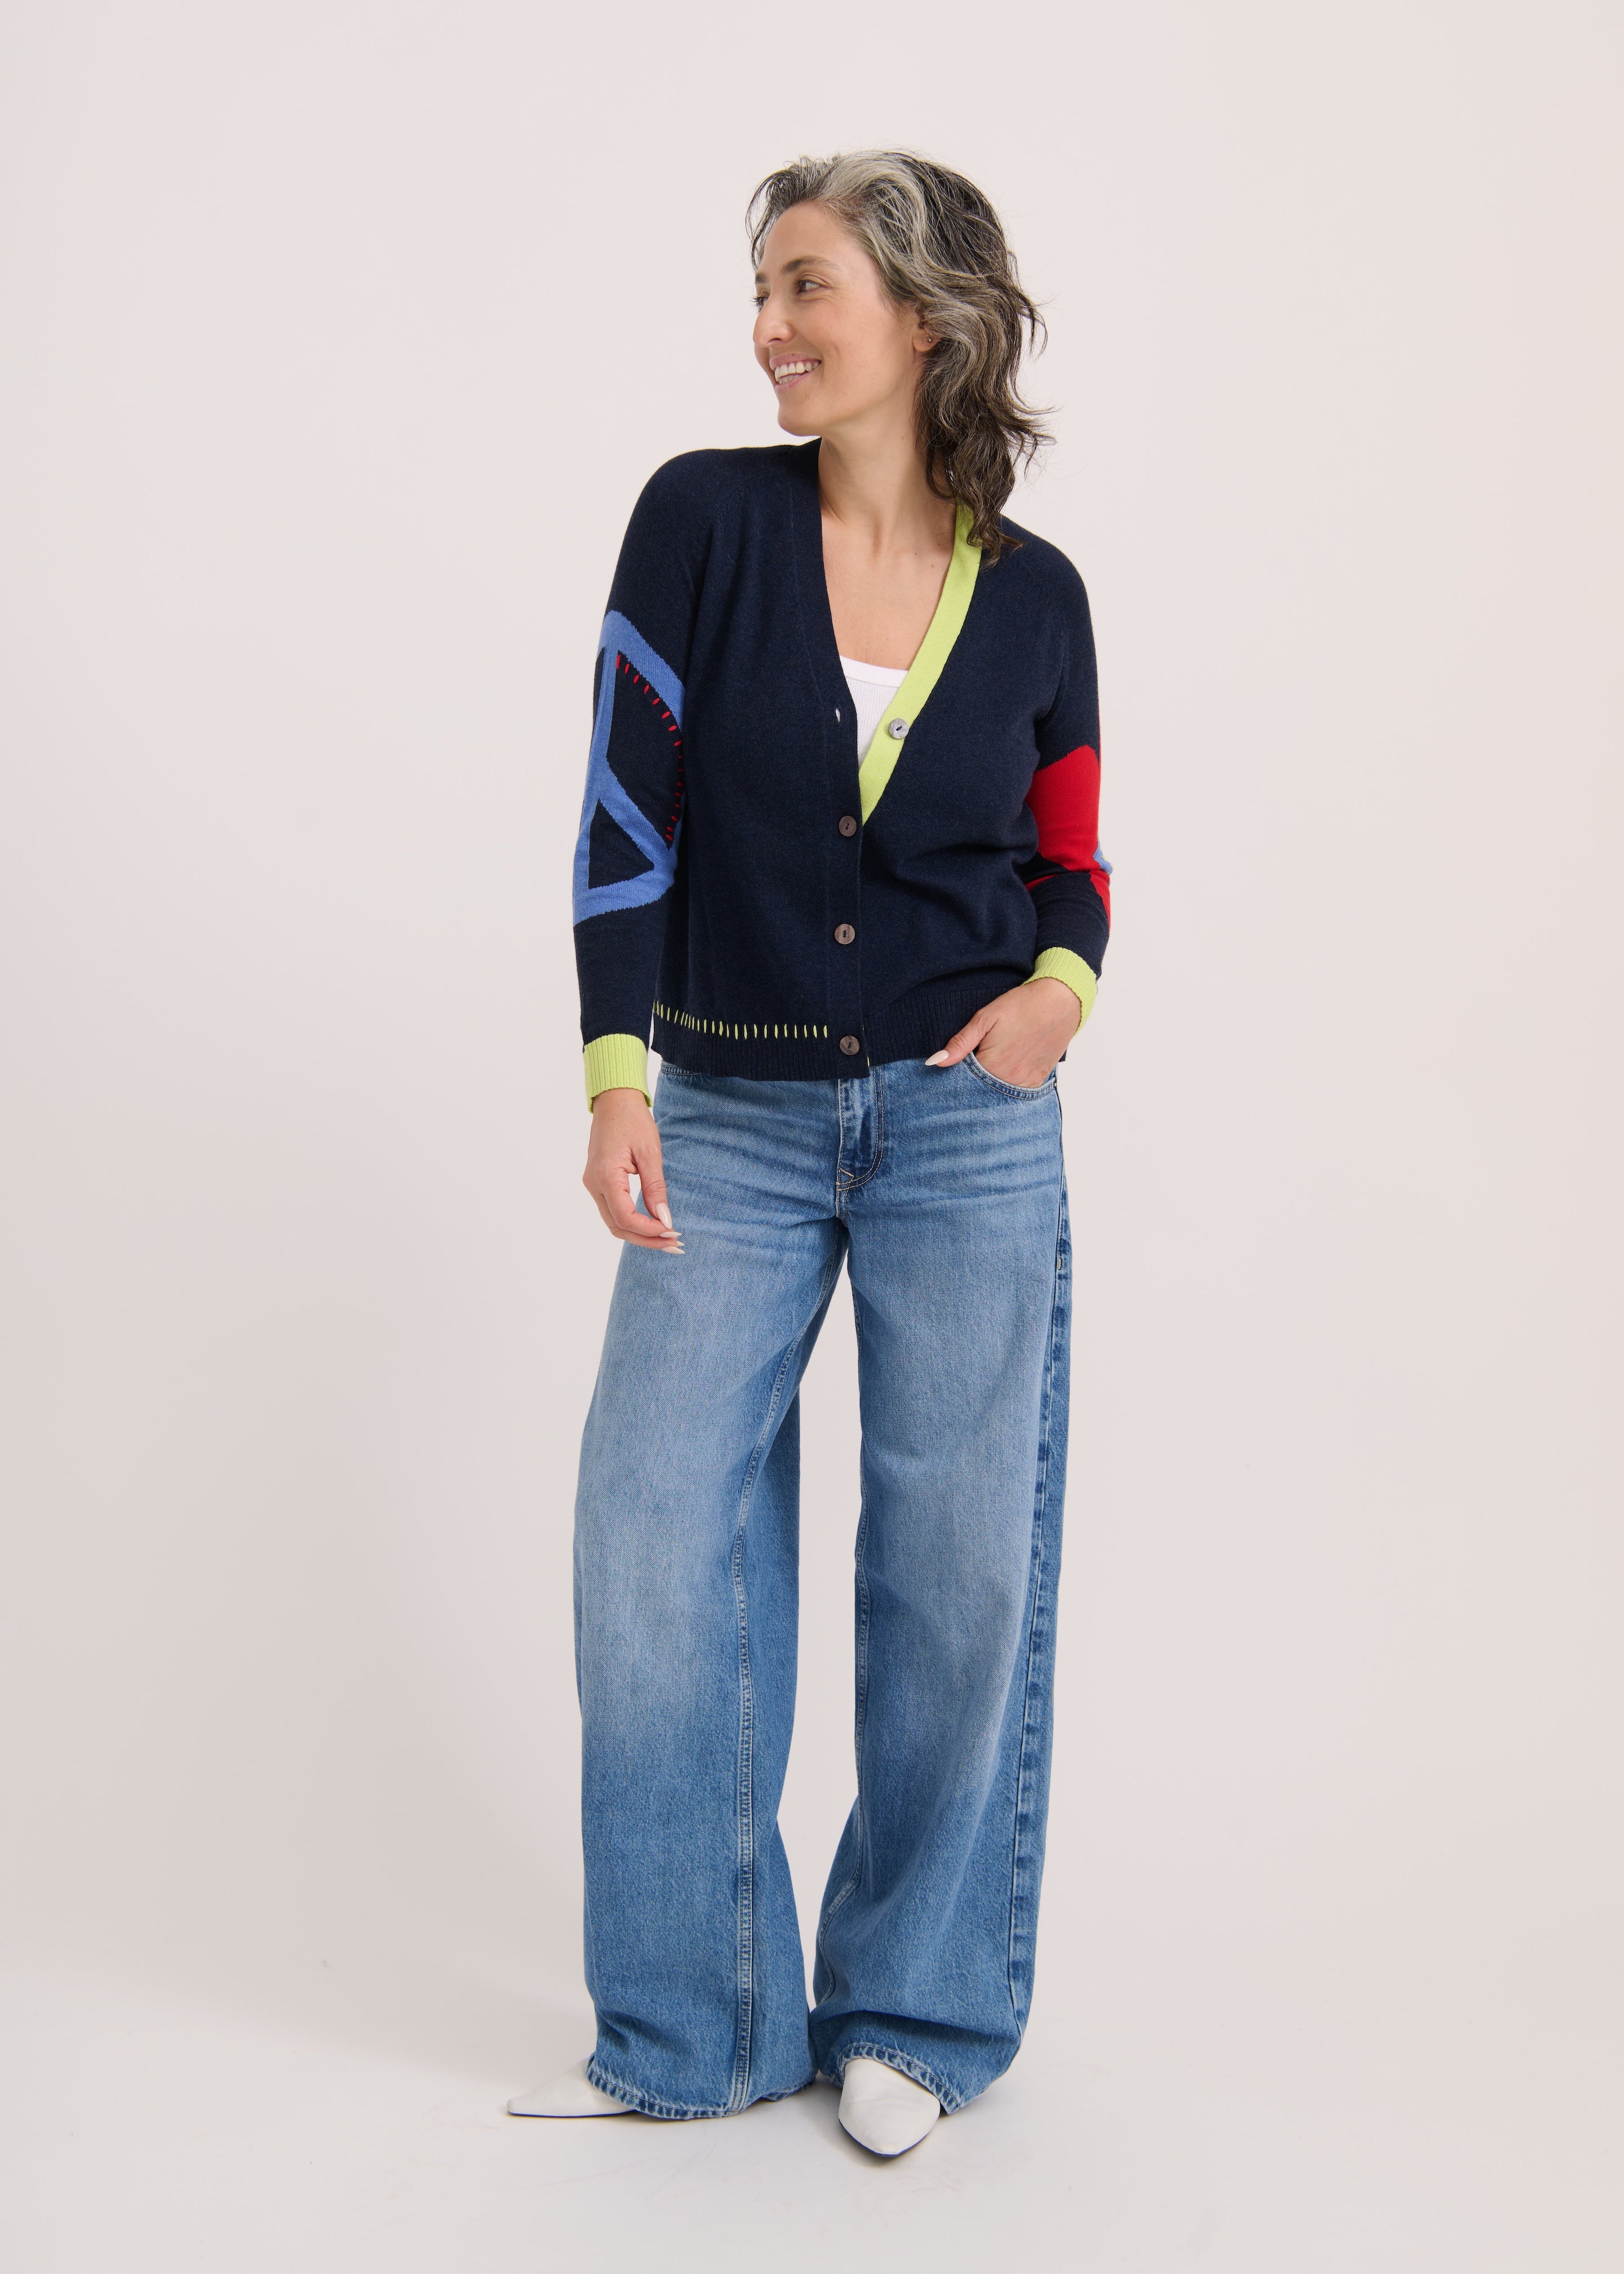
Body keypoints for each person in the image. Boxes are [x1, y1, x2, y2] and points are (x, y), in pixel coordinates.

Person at [508, 149, 1113, 2158]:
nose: (768, 324)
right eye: (762, 288)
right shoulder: (703, 520)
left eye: (805, 285)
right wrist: (615, 1077)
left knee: (958, 1571)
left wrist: (1060, 993)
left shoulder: (1039, 596)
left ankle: (917, 2014)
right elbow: (625, 810)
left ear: (922, 320)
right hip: (730, 1118)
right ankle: (702, 2018)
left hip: (969, 1129)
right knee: (654, 1544)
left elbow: (1074, 863)